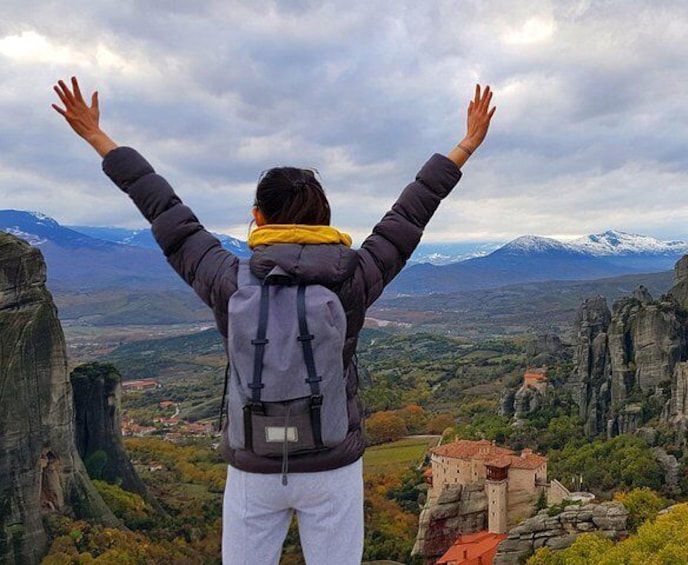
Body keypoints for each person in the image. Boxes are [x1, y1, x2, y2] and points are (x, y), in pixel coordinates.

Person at [52, 76, 495, 564]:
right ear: (324, 219)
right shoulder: (351, 278)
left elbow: (166, 212)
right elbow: (410, 215)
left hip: (254, 468)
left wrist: (98, 137)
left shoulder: (229, 278)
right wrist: (465, 145)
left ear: (257, 217)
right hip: (331, 466)